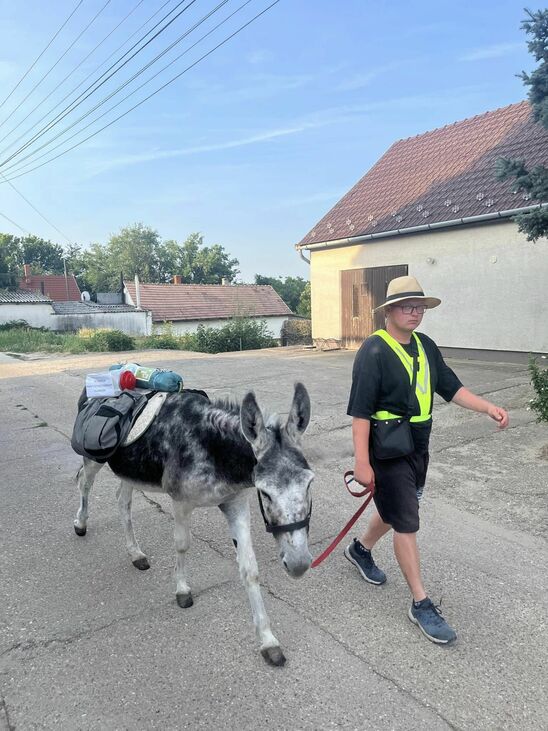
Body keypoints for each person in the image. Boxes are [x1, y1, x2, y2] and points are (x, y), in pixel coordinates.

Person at [345, 275, 509, 645]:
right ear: (389, 311)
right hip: (385, 447)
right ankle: (421, 603)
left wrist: (488, 408)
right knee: (406, 520)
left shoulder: (426, 346)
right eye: (407, 306)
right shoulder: (373, 351)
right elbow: (359, 412)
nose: (415, 312)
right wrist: (361, 461)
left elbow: (451, 387)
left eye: (419, 307)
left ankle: (359, 550)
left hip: (419, 443)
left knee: (395, 509)